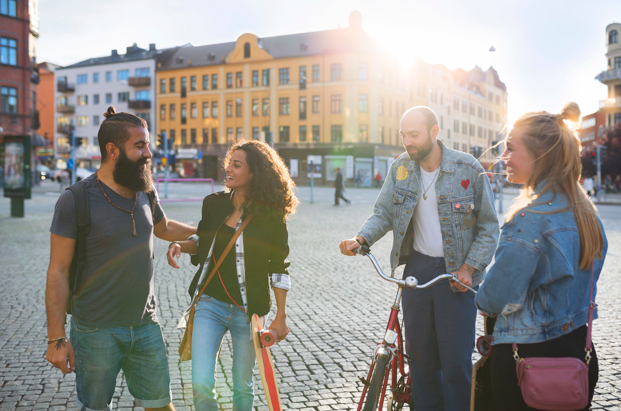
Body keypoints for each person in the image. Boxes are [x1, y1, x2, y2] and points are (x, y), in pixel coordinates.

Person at [339, 106, 499, 410]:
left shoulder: (468, 168)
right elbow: (384, 212)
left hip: (457, 277)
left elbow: (490, 227)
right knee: (421, 363)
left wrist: (469, 268)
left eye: (414, 135)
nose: (407, 142)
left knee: (455, 365)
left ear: (434, 132)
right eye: (403, 135)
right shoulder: (401, 167)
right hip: (417, 270)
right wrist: (361, 239)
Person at [45, 107, 197, 411]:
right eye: (139, 146)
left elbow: (163, 227)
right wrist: (56, 338)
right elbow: (58, 271)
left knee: (161, 405)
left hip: (145, 325)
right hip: (95, 331)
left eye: (148, 144)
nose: (149, 153)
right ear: (112, 151)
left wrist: (210, 232)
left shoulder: (145, 188)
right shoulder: (75, 199)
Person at [476, 102, 607, 411]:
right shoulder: (587, 212)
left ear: (541, 156)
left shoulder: (530, 219)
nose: (503, 157)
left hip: (530, 359)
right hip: (578, 351)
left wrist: (478, 294)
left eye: (510, 148)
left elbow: (494, 298)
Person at [167, 140, 297, 411]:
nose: (228, 168)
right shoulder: (213, 204)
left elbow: (278, 265)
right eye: (229, 162)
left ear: (255, 173)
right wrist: (181, 245)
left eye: (237, 165)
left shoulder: (271, 216)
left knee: (242, 386)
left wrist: (281, 316)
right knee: (201, 382)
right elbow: (203, 242)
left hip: (247, 312)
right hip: (209, 304)